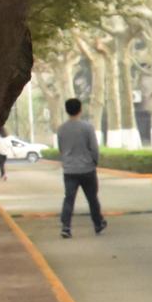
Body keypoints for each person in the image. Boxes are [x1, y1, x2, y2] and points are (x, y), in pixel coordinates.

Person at [56, 98, 105, 238]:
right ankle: (98, 224)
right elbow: (94, 148)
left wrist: (66, 161)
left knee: (69, 199)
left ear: (66, 110)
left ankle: (66, 227)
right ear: (80, 110)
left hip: (69, 170)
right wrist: (94, 162)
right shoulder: (87, 127)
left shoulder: (61, 129)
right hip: (87, 169)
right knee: (92, 198)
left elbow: (61, 148)